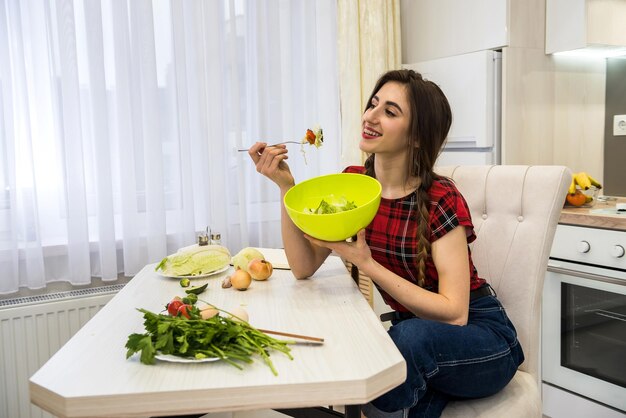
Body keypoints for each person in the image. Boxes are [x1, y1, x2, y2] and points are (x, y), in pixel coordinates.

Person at [247, 69, 524, 418]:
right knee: (398, 349)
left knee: (406, 341)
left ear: (417, 137)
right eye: (373, 104)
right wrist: (286, 187)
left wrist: (366, 263)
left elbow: (455, 314)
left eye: (390, 112)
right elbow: (303, 268)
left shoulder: (441, 198)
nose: (370, 116)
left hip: (483, 340)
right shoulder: (353, 185)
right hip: (418, 341)